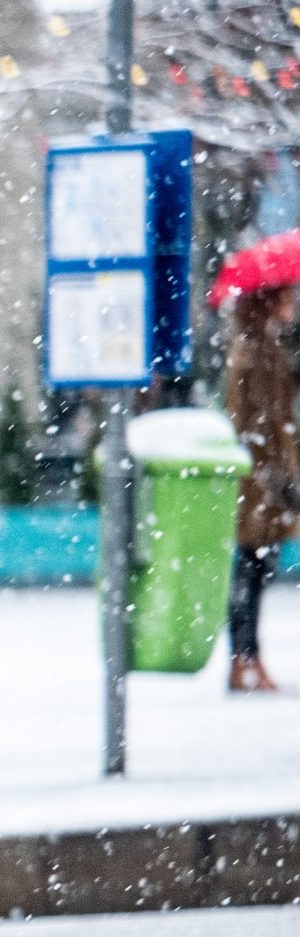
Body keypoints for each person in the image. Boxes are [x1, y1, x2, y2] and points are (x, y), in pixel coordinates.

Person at [223, 282, 300, 693]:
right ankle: (242, 658)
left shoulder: (270, 349)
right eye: (286, 298)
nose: (292, 306)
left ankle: (248, 658)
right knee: (250, 572)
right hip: (259, 482)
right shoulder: (252, 352)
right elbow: (250, 420)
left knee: (258, 572)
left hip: (269, 477)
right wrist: (270, 473)